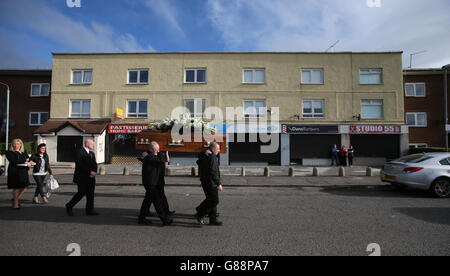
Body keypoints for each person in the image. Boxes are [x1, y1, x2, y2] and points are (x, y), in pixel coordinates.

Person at [138, 142, 173, 226]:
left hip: (154, 182)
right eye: (156, 149)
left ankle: (141, 218)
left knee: (147, 201)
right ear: (151, 150)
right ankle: (164, 220)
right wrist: (158, 153)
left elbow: (162, 159)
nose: (158, 150)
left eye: (158, 149)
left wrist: (158, 152)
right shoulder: (149, 157)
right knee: (157, 202)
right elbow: (161, 159)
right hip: (151, 183)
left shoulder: (150, 156)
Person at [65, 139, 99, 216]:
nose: (93, 145)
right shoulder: (79, 152)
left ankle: (90, 210)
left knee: (90, 194)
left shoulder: (92, 153)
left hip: (91, 177)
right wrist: (89, 172)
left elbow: (95, 164)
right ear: (87, 144)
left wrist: (94, 172)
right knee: (81, 193)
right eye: (92, 144)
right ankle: (69, 205)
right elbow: (79, 164)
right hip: (82, 177)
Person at [195, 142, 223, 226]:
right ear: (213, 149)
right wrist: (218, 183)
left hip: (205, 181)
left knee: (211, 199)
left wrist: (203, 152)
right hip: (211, 183)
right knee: (214, 200)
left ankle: (213, 219)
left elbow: (198, 161)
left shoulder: (204, 155)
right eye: (218, 149)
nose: (219, 150)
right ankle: (200, 212)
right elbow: (214, 172)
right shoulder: (212, 157)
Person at [6, 139, 34, 209]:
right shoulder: (9, 152)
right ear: (12, 145)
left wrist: (30, 162)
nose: (16, 145)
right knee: (16, 187)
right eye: (14, 144)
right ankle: (15, 204)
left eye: (18, 144)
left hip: (23, 171)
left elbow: (28, 158)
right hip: (14, 171)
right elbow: (14, 160)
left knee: (24, 186)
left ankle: (16, 198)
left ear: (21, 145)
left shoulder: (23, 152)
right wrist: (26, 161)